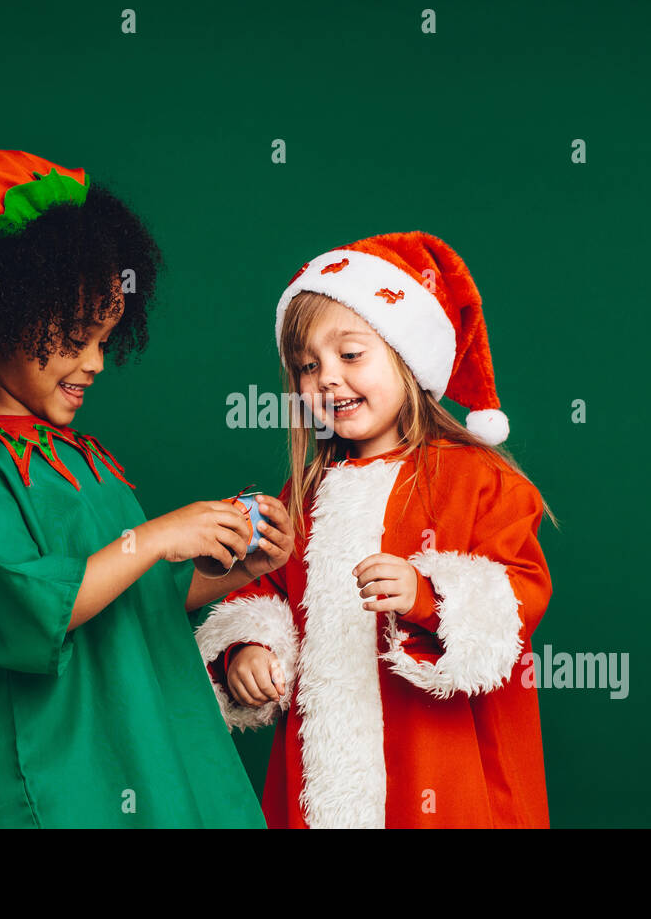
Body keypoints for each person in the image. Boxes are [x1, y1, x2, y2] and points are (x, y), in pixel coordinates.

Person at [0, 148, 285, 827]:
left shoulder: (86, 461)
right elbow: (37, 608)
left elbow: (136, 598)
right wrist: (156, 536)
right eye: (74, 337)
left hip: (147, 757)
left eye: (105, 339)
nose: (94, 362)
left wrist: (237, 571)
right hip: (64, 786)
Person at [195, 231, 559, 828]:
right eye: (307, 366)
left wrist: (428, 595)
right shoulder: (305, 494)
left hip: (441, 767)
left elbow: (517, 598)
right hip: (320, 776)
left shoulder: (478, 480)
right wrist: (248, 647)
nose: (327, 380)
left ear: (406, 354)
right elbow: (265, 592)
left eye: (350, 354)